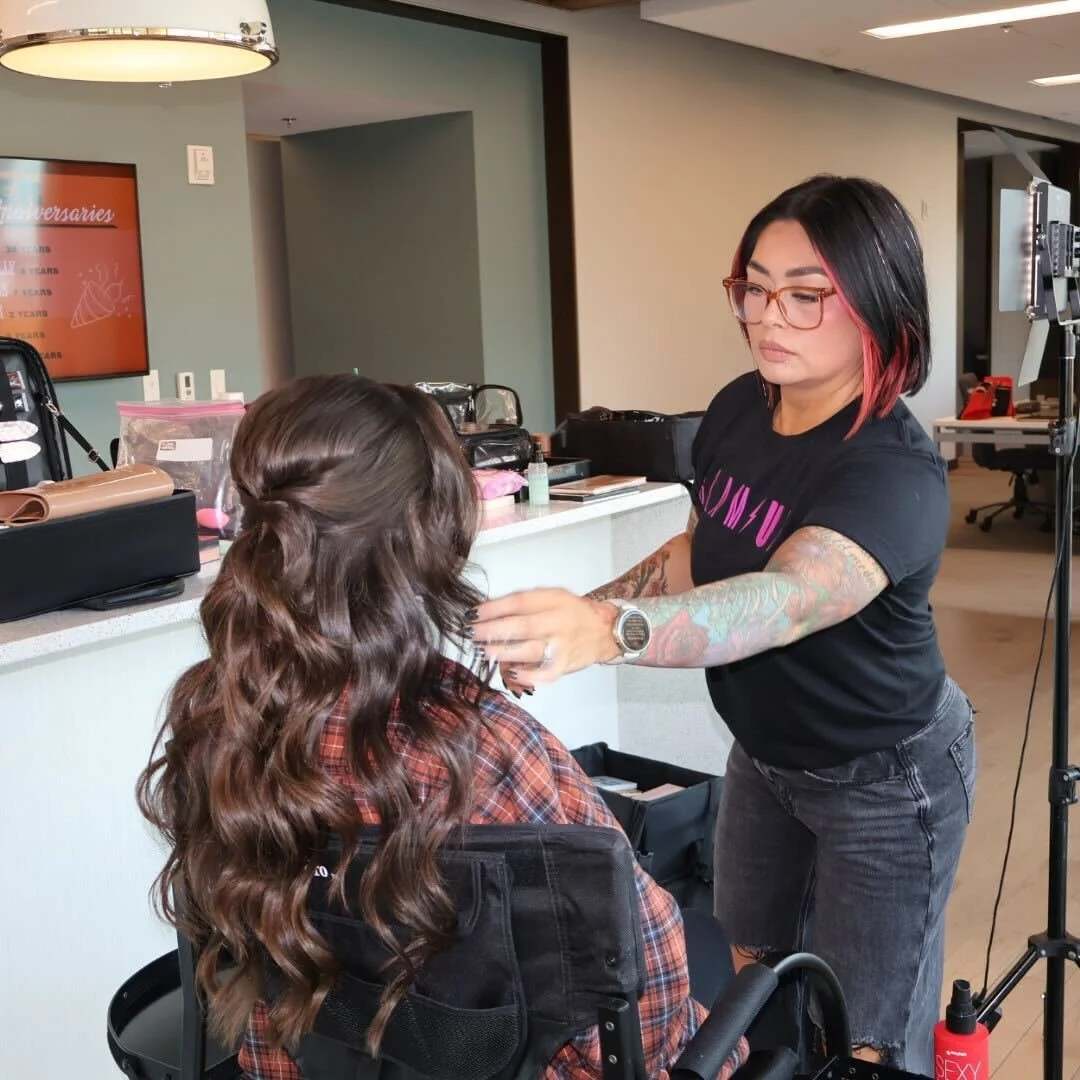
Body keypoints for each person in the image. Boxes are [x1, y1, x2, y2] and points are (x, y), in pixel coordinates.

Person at [471, 174, 976, 1076]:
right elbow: (700, 550)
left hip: (885, 776)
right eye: (754, 288)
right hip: (766, 757)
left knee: (865, 1038)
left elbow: (782, 602)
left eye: (806, 295)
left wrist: (609, 630)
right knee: (754, 985)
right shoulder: (743, 406)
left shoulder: (892, 470)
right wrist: (577, 619)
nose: (768, 317)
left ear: (879, 303)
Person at [135, 374, 747, 1080]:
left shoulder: (216, 721)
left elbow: (262, 966)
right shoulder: (479, 752)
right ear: (427, 541)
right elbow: (645, 986)